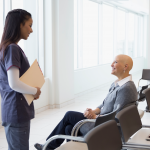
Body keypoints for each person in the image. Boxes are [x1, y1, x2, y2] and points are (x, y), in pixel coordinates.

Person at [34, 54, 137, 150]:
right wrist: (93, 111)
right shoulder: (117, 84)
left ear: (125, 66)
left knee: (69, 115)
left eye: (115, 62)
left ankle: (47, 146)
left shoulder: (126, 88)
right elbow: (105, 103)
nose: (111, 64)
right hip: (101, 122)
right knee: (69, 128)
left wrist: (94, 117)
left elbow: (116, 117)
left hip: (104, 128)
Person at [0, 9, 41, 150]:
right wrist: (34, 90)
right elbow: (14, 83)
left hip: (15, 110)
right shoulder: (12, 49)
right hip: (16, 111)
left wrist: (31, 91)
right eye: (29, 25)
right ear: (19, 25)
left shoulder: (9, 47)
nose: (31, 30)